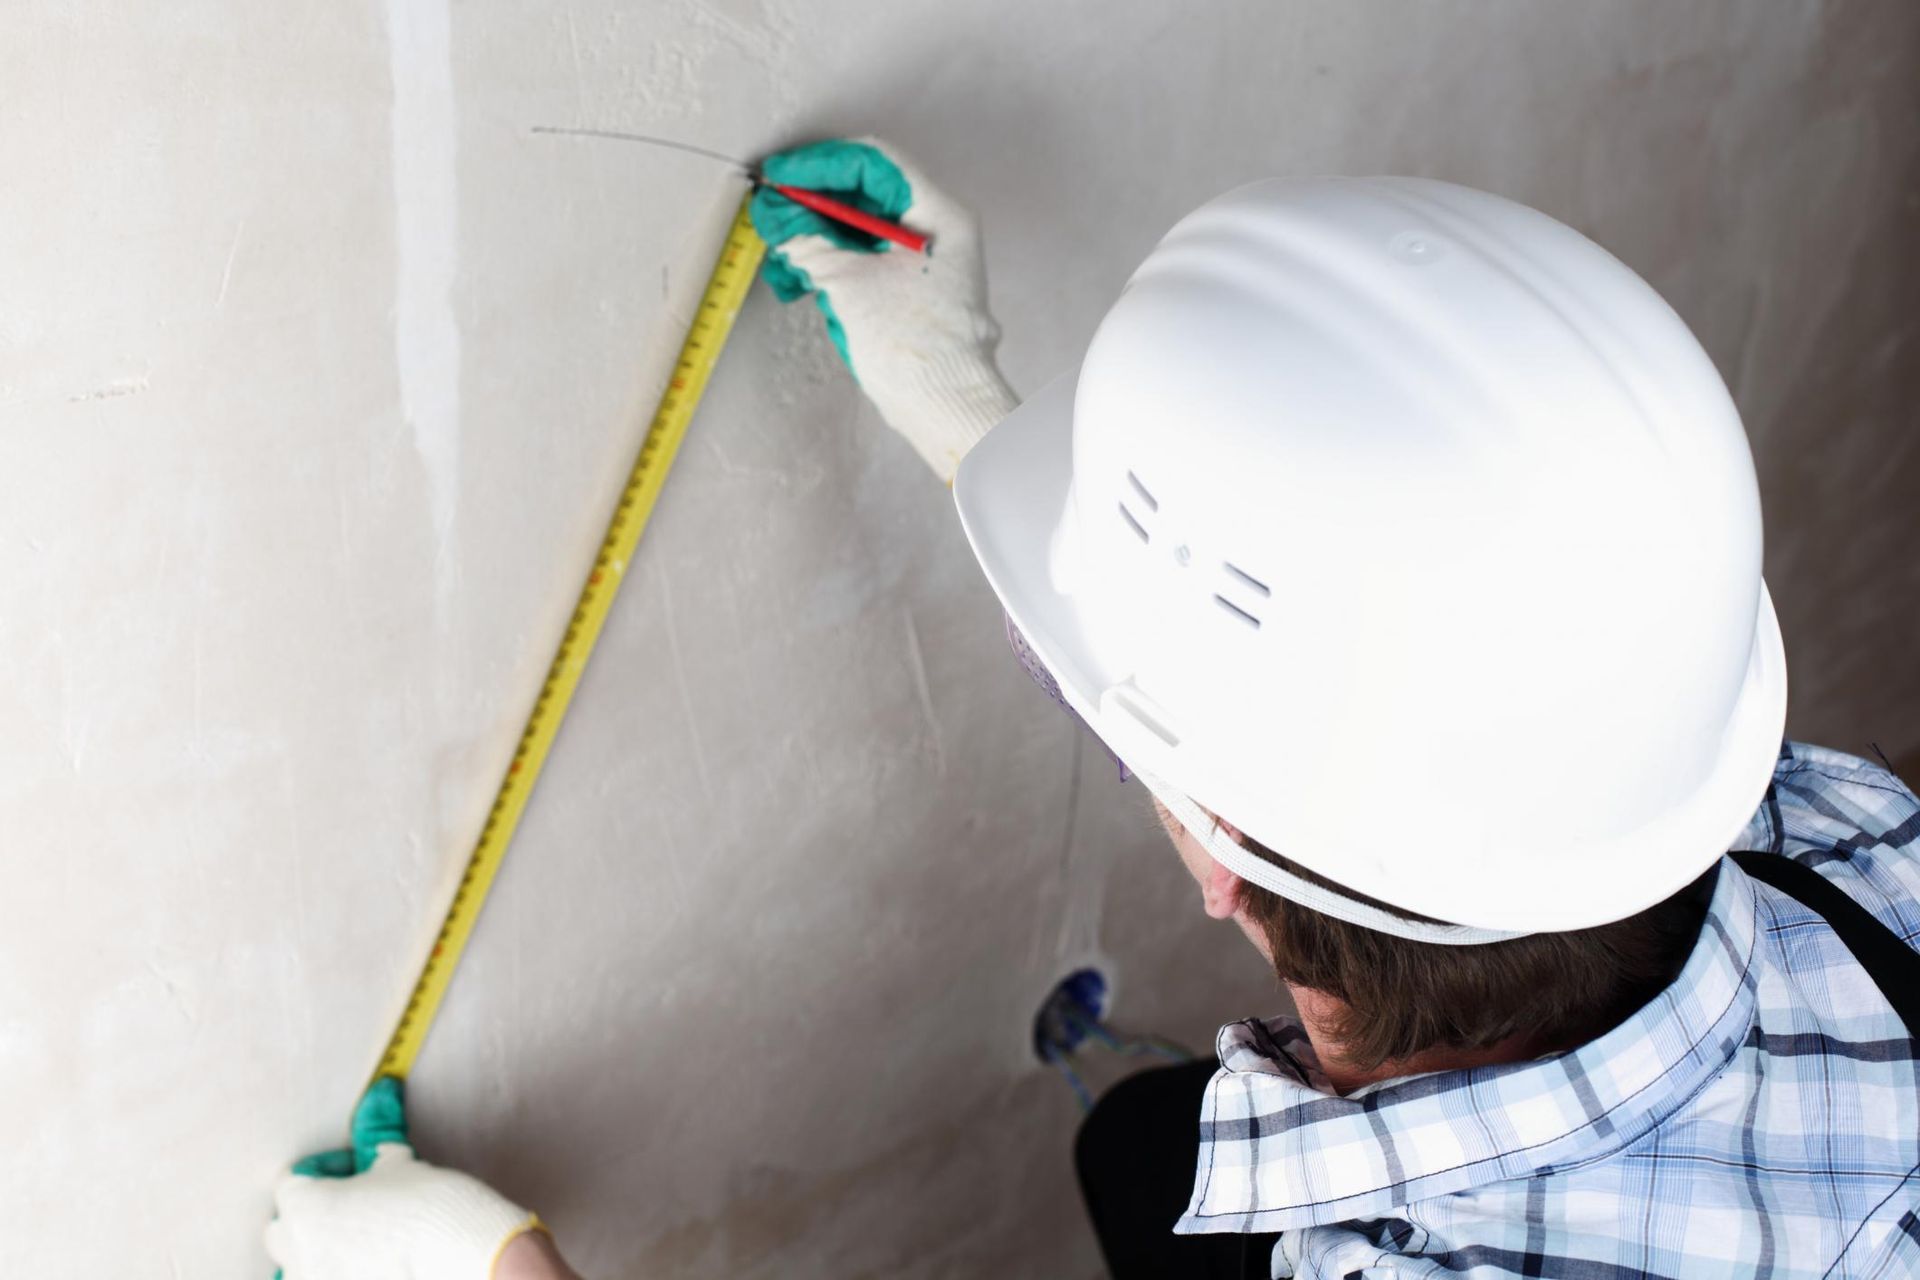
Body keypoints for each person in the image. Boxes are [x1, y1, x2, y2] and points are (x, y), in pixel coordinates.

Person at [266, 139, 1920, 1279]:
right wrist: (969, 408)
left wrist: (498, 1267)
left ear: (1212, 857)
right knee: (1148, 1153)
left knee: (1154, 1169)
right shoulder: (1856, 835)